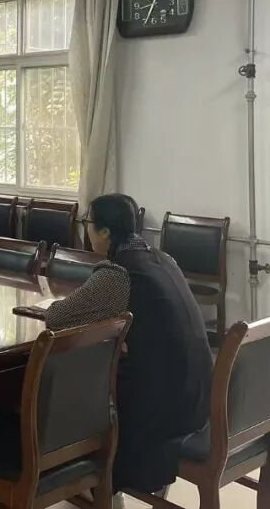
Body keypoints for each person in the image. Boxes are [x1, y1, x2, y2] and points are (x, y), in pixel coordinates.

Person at [44, 194, 212, 504]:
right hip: (199, 399)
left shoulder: (119, 273)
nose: (86, 230)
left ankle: (90, 479)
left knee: (75, 390)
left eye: (88, 223)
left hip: (162, 410)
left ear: (105, 232)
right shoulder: (164, 259)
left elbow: (57, 317)